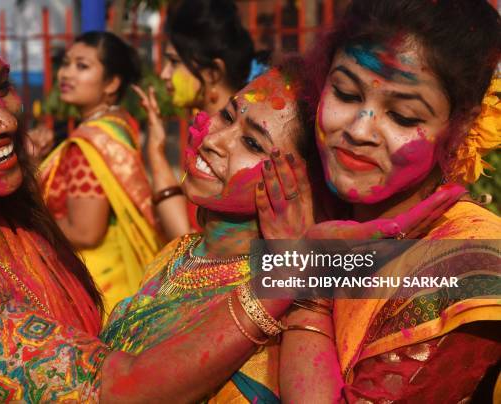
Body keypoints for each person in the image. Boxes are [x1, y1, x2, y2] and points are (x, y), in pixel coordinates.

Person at [0, 1, 308, 401]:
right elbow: (113, 390)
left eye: (3, 88)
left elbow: (368, 271)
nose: (9, 120)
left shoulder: (318, 261)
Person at [101, 66, 464, 402]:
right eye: (227, 116)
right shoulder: (178, 254)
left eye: (253, 144)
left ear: (303, 184)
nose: (216, 141)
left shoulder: (286, 301)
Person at [259, 0, 501, 401]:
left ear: (461, 126)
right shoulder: (300, 201)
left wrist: (309, 283)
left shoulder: (469, 264)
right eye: (346, 93)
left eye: (403, 116)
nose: (359, 130)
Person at [38, 32, 160, 312]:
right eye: (66, 63)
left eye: (82, 66)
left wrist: (29, 221)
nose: (66, 73)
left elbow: (85, 231)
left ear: (112, 82)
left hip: (100, 286)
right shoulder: (118, 125)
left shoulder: (88, 144)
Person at [135, 0, 269, 240]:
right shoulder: (206, 130)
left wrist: (156, 153)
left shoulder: (223, 145)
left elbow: (188, 239)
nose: (164, 74)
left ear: (212, 73)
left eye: (174, 62)